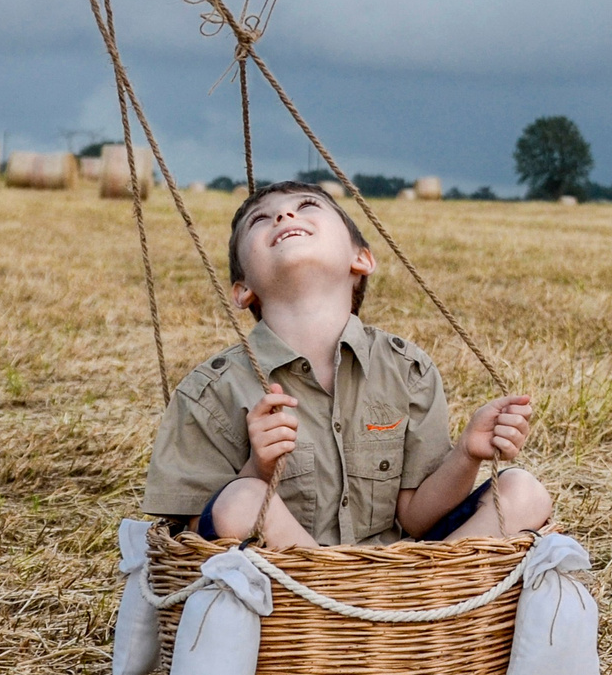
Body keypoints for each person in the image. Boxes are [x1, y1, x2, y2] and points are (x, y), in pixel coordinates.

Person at [141, 180, 552, 547]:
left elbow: (414, 517)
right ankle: (348, 611)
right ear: (243, 289)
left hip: (395, 580)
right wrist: (258, 469)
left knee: (523, 491)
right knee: (242, 498)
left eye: (307, 207)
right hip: (289, 595)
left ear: (361, 260)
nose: (284, 215)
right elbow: (195, 533)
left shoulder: (408, 370)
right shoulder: (209, 391)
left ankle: (414, 607)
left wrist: (467, 453)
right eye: (260, 220)